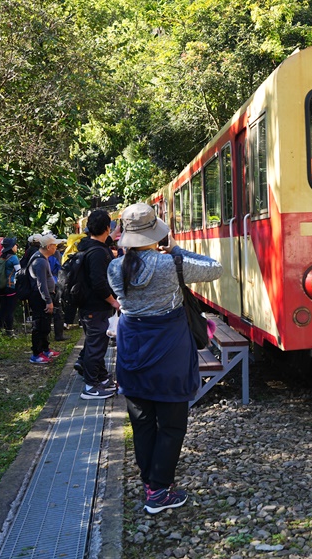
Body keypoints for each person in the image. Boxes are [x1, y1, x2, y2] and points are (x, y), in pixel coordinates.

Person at [107, 202, 222, 514]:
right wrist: (176, 251)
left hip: (132, 349)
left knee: (142, 421)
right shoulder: (170, 264)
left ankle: (151, 481)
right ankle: (159, 491)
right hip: (169, 349)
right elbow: (215, 268)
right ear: (154, 233)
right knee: (171, 425)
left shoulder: (115, 268)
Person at [74, 210, 120, 399]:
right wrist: (113, 301)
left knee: (96, 343)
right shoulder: (98, 253)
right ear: (107, 227)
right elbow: (99, 283)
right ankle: (90, 387)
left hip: (89, 305)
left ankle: (100, 377)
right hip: (96, 306)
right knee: (96, 346)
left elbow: (104, 242)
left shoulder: (88, 245)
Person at [28, 234, 62, 364]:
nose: (56, 248)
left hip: (44, 295)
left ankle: (45, 348)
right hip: (40, 297)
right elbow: (41, 283)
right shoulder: (40, 261)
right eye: (55, 246)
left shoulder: (44, 258)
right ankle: (36, 353)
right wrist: (48, 301)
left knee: (45, 325)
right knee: (39, 325)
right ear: (49, 247)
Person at [0, 237, 20, 332]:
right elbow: (19, 272)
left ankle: (0, 327)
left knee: (2, 308)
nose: (16, 246)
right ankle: (9, 330)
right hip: (10, 287)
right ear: (11, 247)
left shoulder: (1, 257)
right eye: (15, 244)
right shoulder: (13, 258)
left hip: (0, 287)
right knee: (10, 309)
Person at [47, 238, 67, 341]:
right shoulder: (55, 255)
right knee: (58, 310)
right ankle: (59, 335)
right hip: (54, 283)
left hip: (45, 286)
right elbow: (59, 269)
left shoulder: (37, 255)